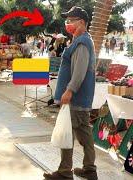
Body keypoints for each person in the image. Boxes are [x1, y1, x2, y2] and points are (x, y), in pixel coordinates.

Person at [43, 6, 97, 180]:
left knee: (68, 132)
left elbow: (80, 71)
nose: (67, 24)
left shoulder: (82, 42)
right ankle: (90, 169)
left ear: (81, 22)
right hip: (80, 98)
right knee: (84, 134)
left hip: (76, 97)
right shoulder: (80, 40)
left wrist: (69, 90)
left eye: (70, 20)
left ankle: (65, 172)